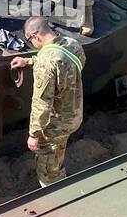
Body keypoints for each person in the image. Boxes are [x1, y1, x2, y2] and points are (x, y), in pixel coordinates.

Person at [9, 16, 85, 186]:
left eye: (30, 41)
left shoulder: (46, 63)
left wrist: (34, 135)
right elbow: (68, 63)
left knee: (48, 170)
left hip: (56, 124)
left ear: (35, 36)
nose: (32, 45)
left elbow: (41, 105)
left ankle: (57, 194)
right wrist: (30, 61)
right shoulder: (72, 44)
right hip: (75, 113)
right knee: (58, 151)